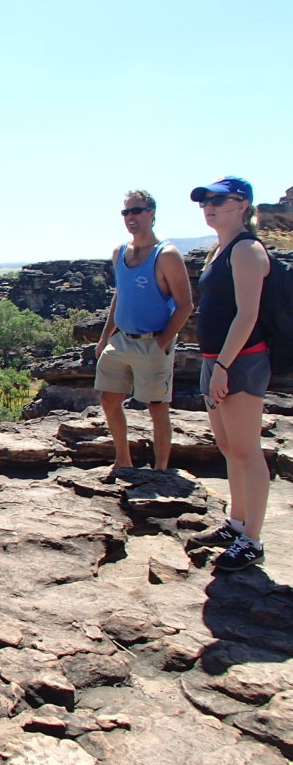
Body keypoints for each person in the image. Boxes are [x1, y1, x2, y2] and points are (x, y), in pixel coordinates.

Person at [186, 177, 270, 572]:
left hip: (240, 361)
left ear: (242, 204)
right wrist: (213, 364)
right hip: (214, 361)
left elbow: (248, 314)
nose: (209, 206)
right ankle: (236, 524)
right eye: (205, 201)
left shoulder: (247, 250)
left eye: (218, 200)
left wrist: (223, 366)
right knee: (227, 448)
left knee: (247, 451)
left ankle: (251, 540)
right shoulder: (218, 251)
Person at [95, 190, 193, 470]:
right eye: (125, 212)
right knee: (109, 398)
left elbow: (186, 305)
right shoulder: (120, 252)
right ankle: (123, 461)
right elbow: (120, 295)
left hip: (152, 341)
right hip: (121, 340)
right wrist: (105, 337)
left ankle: (161, 470)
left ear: (151, 213)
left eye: (136, 210)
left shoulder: (167, 254)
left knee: (157, 408)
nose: (130, 217)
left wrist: (162, 343)